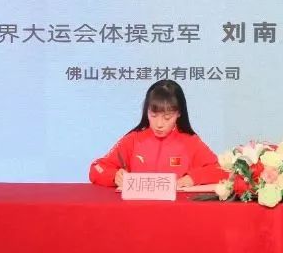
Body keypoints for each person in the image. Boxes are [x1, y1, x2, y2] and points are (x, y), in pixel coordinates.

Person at [88, 80, 225, 188]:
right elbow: (97, 168)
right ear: (146, 111)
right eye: (153, 115)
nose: (159, 124)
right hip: (136, 210)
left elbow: (221, 170)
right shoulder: (133, 139)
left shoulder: (191, 142)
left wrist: (192, 178)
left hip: (177, 211)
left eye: (167, 117)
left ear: (179, 113)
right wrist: (114, 176)